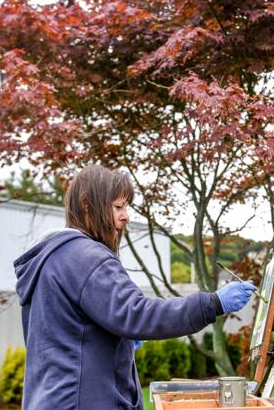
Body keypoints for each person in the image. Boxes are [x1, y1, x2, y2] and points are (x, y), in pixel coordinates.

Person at [14, 165, 257, 409]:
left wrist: (121, 338)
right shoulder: (85, 256)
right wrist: (212, 303)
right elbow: (138, 314)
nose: (126, 216)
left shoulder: (53, 258)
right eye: (118, 207)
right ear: (87, 204)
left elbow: (73, 333)